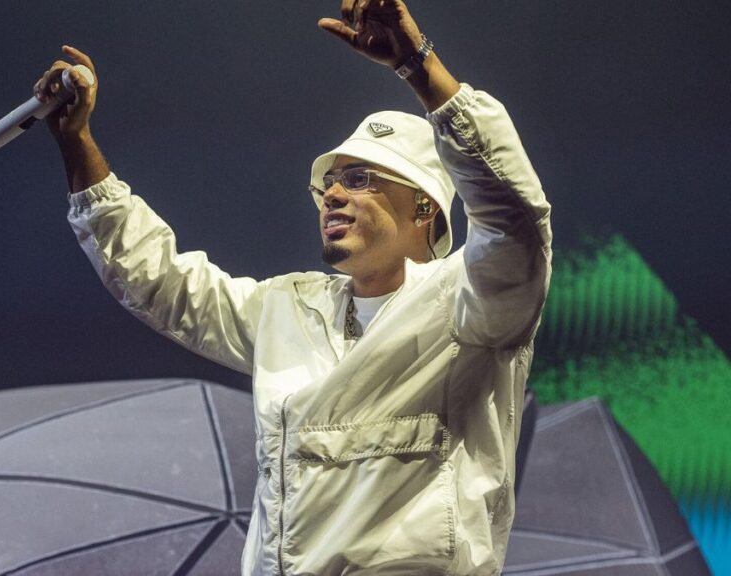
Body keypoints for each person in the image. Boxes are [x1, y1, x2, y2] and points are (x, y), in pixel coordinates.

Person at [35, 1, 551, 573]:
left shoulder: (472, 303)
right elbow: (160, 283)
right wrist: (76, 143)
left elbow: (515, 216)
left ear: (425, 205)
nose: (332, 195)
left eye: (360, 180)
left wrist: (420, 70)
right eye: (330, 183)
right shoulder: (288, 309)